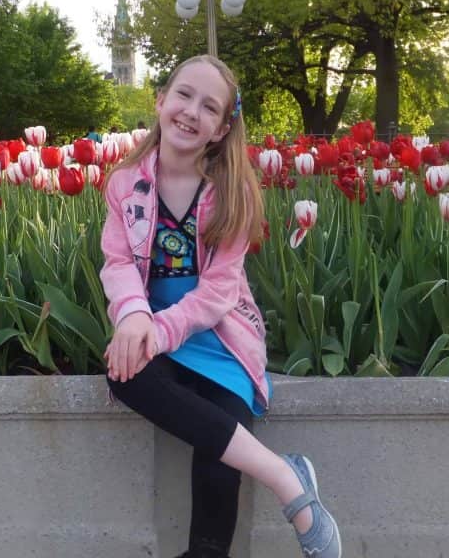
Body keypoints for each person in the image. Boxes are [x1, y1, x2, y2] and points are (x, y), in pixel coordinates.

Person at [100, 55, 342, 558]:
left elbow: (217, 295)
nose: (191, 112)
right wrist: (133, 316)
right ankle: (284, 475)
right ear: (161, 100)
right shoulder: (125, 184)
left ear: (221, 127)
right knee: (124, 375)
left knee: (219, 452)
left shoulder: (231, 194)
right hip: (155, 332)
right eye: (183, 95)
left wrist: (157, 330)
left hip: (220, 343)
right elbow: (118, 261)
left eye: (209, 107)